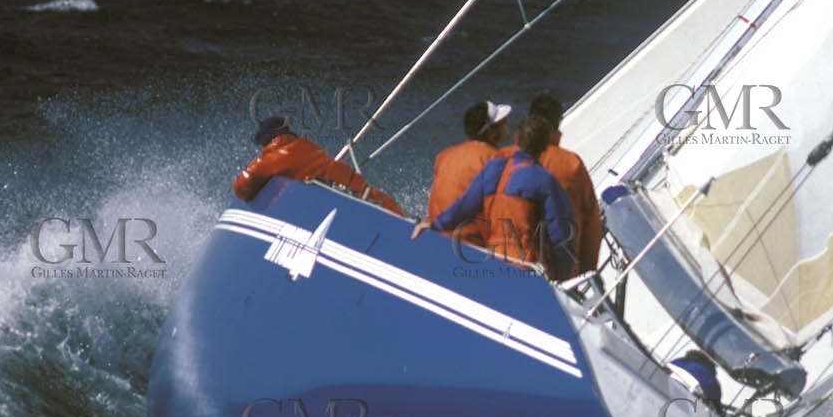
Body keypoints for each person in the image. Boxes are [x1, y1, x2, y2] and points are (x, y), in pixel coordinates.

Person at [415, 114, 577, 279]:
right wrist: (564, 274)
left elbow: (465, 206)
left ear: (517, 138)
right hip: (524, 264)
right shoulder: (544, 180)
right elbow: (560, 233)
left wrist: (436, 224)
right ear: (545, 146)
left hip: (492, 259)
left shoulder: (494, 167)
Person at [233, 115, 403, 214]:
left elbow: (242, 187)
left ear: (267, 139)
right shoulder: (307, 145)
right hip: (367, 194)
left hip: (335, 205)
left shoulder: (273, 158)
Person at [513, 94, 603, 274]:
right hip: (558, 271)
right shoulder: (571, 164)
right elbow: (591, 223)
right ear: (557, 124)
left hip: (508, 265)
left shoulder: (505, 159)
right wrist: (585, 271)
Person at [425, 101, 513, 247]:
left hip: (437, 232)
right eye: (504, 123)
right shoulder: (497, 161)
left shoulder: (444, 155)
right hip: (470, 242)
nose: (507, 126)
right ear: (491, 133)